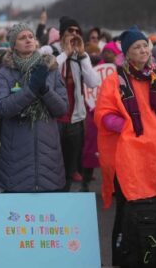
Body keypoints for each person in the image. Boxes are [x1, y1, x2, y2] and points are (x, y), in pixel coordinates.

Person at [94, 26, 156, 264]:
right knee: (127, 212)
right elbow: (103, 113)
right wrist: (125, 127)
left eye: (145, 45)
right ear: (127, 53)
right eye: (137, 47)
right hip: (130, 158)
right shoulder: (114, 82)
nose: (144, 50)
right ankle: (125, 257)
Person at [0, 23, 68, 192]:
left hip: (48, 156)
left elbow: (62, 109)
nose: (28, 40)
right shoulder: (4, 73)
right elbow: (3, 108)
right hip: (16, 158)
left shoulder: (51, 69)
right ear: (13, 45)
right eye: (22, 38)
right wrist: (31, 89)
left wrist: (45, 90)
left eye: (31, 37)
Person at [55, 17, 101, 186]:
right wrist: (65, 53)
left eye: (77, 32)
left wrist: (81, 55)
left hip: (74, 118)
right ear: (61, 35)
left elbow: (94, 82)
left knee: (71, 166)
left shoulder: (81, 56)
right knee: (54, 164)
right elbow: (46, 71)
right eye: (70, 31)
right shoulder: (50, 51)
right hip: (54, 118)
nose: (74, 34)